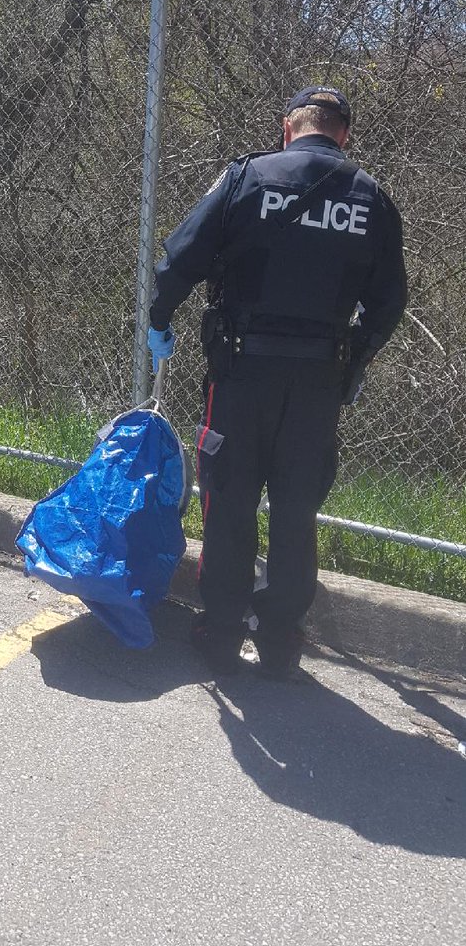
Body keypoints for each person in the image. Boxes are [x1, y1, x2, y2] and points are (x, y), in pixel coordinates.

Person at [148, 87, 407, 677]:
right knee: (296, 509)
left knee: (229, 498)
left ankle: (219, 630)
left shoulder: (246, 178)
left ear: (286, 127)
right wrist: (355, 357)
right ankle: (282, 640)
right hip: (319, 382)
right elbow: (389, 302)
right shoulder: (370, 198)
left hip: (242, 373)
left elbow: (180, 258)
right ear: (344, 134)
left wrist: (160, 321)